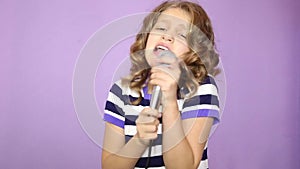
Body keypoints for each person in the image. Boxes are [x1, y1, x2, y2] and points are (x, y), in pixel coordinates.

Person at [102, 0, 220, 168]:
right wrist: (139, 140)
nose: (167, 36)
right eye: (161, 28)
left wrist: (170, 102)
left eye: (181, 35)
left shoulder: (201, 88)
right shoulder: (121, 91)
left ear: (195, 52)